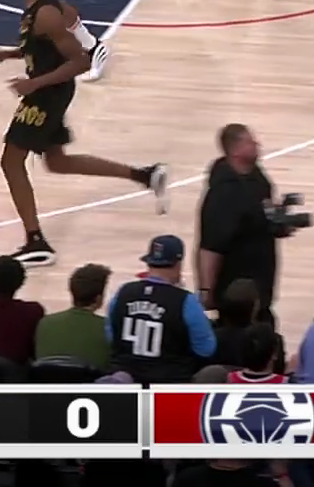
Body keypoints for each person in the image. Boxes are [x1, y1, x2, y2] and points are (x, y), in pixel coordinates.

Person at [0, 0, 168, 266]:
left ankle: (36, 241)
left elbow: (81, 61)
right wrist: (9, 54)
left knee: (10, 161)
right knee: (57, 162)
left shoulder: (47, 12)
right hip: (50, 90)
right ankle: (144, 175)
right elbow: (42, 47)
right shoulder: (40, 6)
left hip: (47, 93)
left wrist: (34, 83)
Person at [198, 124, 282, 320]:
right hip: (234, 294)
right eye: (250, 142)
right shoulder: (223, 193)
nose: (257, 144)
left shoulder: (256, 176)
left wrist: (279, 222)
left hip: (260, 287)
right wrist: (206, 290)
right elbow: (210, 247)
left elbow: (260, 214)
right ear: (235, 150)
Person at [106, 234, 216, 382]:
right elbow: (206, 349)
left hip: (126, 384)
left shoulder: (123, 292)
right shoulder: (186, 300)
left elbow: (111, 336)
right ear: (178, 264)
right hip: (169, 385)